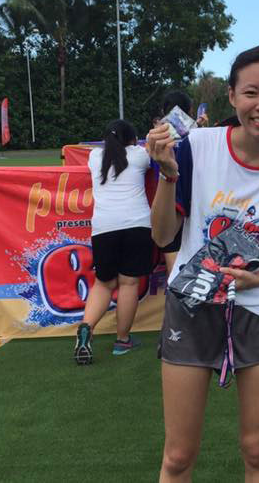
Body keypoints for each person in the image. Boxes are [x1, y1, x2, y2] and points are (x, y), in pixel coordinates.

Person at [147, 44, 259, 482]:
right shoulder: (197, 147)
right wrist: (166, 176)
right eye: (251, 92)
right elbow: (163, 236)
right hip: (192, 304)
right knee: (179, 455)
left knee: (258, 452)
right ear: (232, 96)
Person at [74, 119, 153, 364]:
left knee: (103, 283)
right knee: (129, 284)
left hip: (103, 228)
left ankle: (87, 326)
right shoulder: (140, 155)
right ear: (132, 139)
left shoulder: (95, 158)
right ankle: (122, 340)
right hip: (137, 225)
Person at [156, 91, 208, 276]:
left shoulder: (157, 134)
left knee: (174, 267)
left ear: (163, 109)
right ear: (190, 109)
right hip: (196, 200)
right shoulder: (200, 136)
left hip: (167, 200)